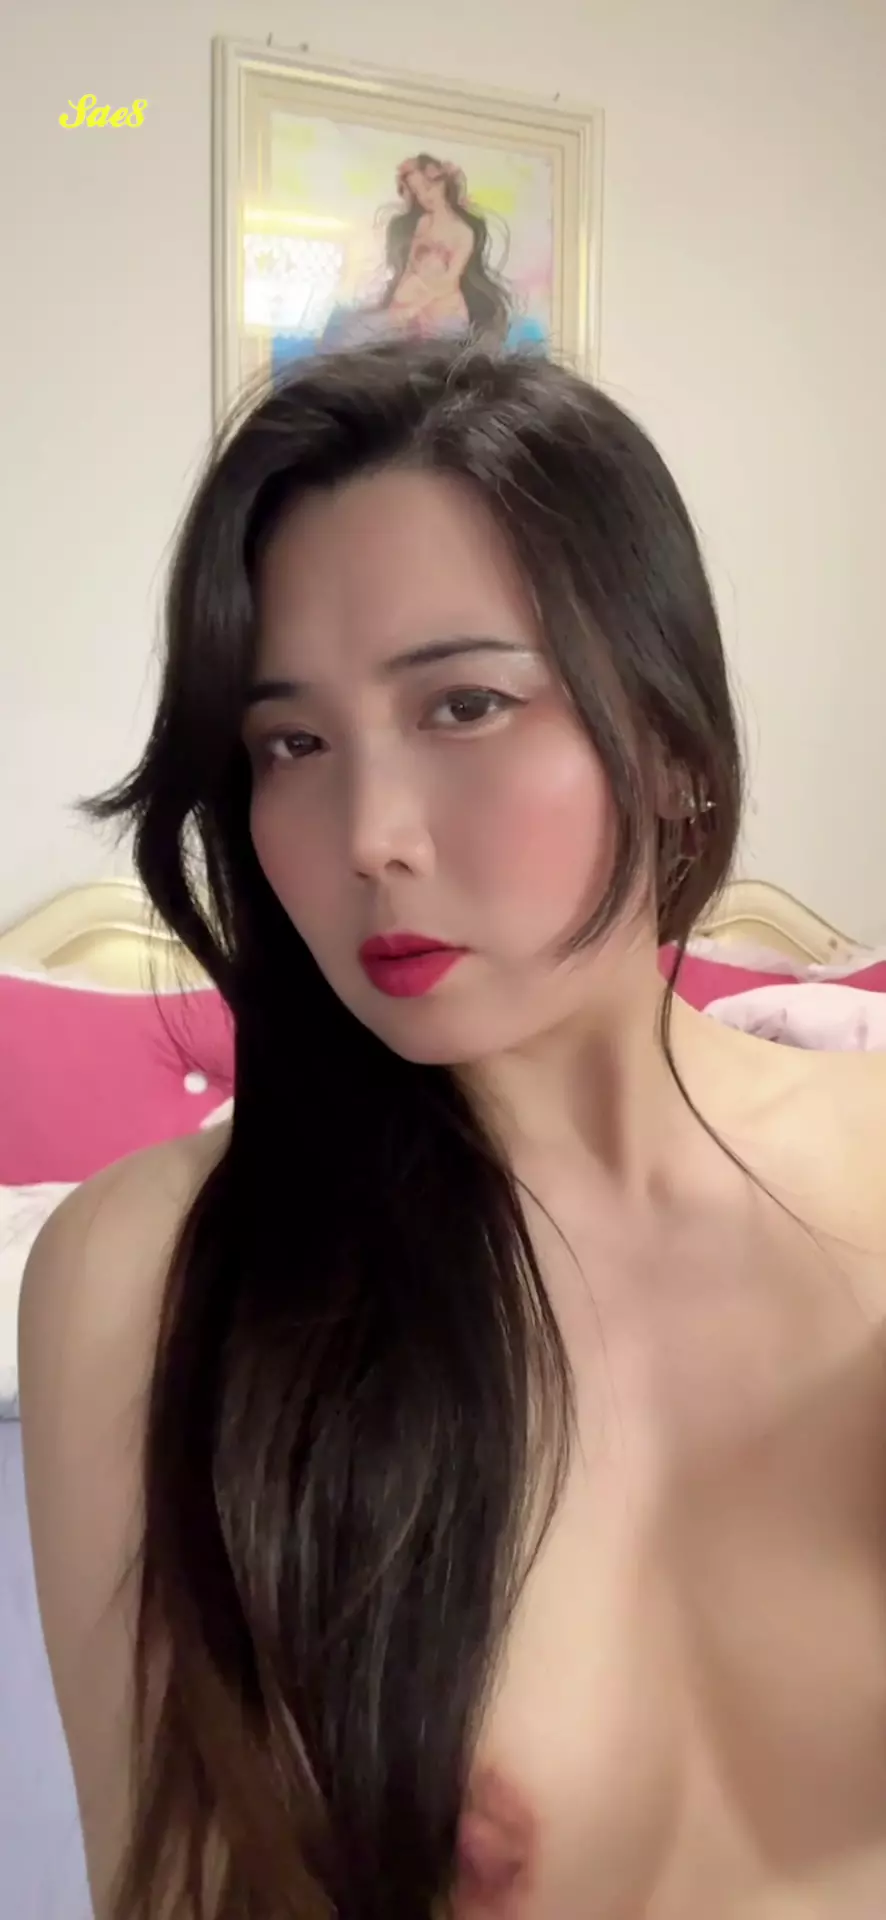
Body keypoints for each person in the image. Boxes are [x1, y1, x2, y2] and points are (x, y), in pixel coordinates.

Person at [19, 340, 886, 1920]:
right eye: (291, 745)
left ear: (670, 745)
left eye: (465, 704)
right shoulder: (150, 1276)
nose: (370, 837)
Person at [322, 154, 511, 351]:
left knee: (431, 349)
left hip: (444, 306)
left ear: (443, 184)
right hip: (413, 296)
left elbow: (450, 279)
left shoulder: (463, 231)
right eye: (417, 191)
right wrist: (398, 304)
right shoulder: (423, 223)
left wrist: (416, 306)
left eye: (428, 188)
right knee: (354, 334)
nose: (424, 196)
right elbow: (411, 267)